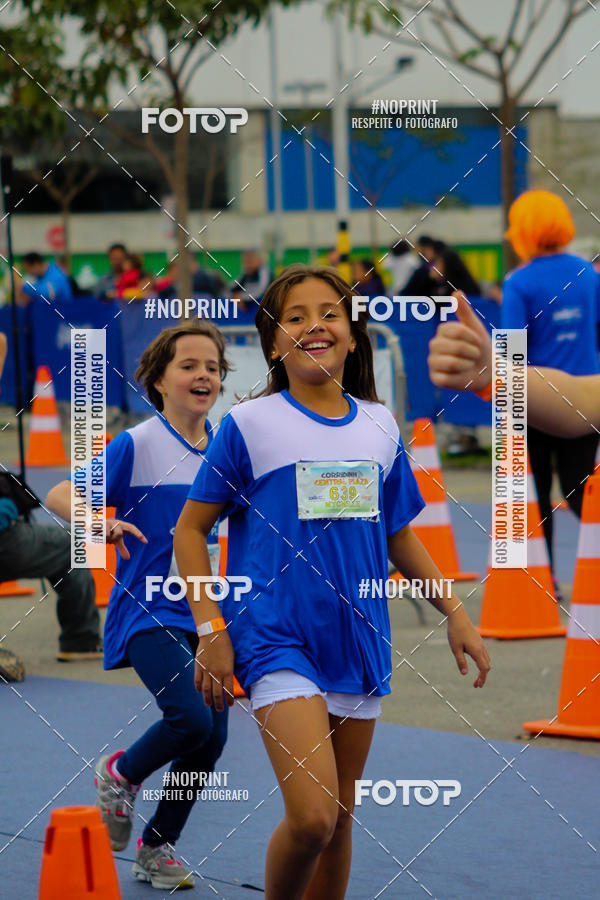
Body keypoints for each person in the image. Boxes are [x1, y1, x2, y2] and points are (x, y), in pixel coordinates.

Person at [175, 264, 490, 900]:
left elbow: (398, 533)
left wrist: (455, 610)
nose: (314, 325)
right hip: (274, 637)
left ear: (351, 335)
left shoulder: (379, 425)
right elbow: (189, 531)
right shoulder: (249, 424)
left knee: (341, 820)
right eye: (295, 317)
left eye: (329, 313)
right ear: (272, 342)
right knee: (313, 816)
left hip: (359, 640)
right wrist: (210, 629)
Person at [46, 321, 231, 891]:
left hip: (205, 616)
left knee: (214, 738)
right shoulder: (138, 443)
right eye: (189, 365)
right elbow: (59, 494)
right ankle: (121, 774)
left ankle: (157, 849)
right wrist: (97, 520)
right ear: (156, 380)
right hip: (145, 611)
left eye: (213, 367)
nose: (203, 374)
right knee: (191, 718)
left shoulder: (226, 449)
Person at [501, 191, 600, 579]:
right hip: (586, 401)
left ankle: (545, 582)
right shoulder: (588, 274)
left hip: (535, 402)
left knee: (534, 494)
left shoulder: (519, 282)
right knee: (582, 491)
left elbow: (510, 352)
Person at [427, 291, 600, 438]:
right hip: (542, 397)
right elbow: (582, 400)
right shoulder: (586, 274)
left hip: (540, 398)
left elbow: (513, 338)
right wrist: (496, 373)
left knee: (543, 472)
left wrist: (498, 372)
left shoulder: (518, 281)